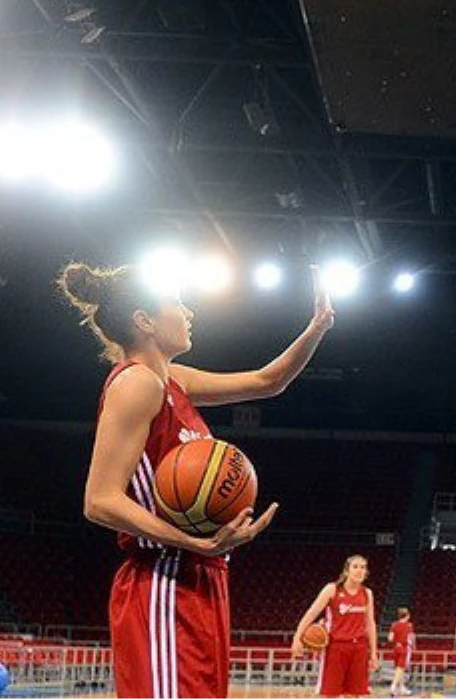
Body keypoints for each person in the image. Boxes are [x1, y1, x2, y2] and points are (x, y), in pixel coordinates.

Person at [61, 261, 333, 698]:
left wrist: (318, 326)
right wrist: (194, 543)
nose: (189, 312)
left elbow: (269, 380)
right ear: (144, 321)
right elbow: (99, 500)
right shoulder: (137, 385)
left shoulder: (174, 381)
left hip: (202, 575)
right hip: (164, 578)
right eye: (178, 303)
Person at [291, 554, 380, 698]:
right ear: (346, 571)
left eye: (363, 567)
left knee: (356, 695)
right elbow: (311, 614)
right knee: (330, 694)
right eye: (355, 567)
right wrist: (297, 638)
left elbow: (370, 624)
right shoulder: (332, 589)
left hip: (359, 648)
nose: (359, 570)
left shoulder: (367, 593)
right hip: (336, 648)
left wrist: (374, 653)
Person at [390, 607, 416, 697]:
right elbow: (411, 638)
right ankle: (393, 687)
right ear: (407, 616)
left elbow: (390, 638)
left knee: (399, 668)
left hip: (396, 648)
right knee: (400, 668)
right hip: (405, 649)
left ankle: (401, 688)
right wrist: (413, 646)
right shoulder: (409, 625)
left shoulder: (394, 625)